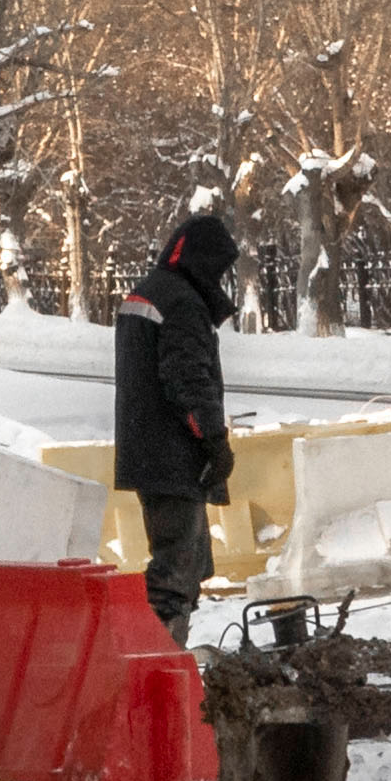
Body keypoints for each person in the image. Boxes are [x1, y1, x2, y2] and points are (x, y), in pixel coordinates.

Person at [110, 209, 238, 639]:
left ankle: (161, 657)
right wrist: (214, 441)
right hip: (174, 456)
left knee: (187, 561)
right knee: (176, 571)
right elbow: (188, 381)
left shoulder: (149, 292)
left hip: (146, 451)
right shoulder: (182, 302)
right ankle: (154, 661)